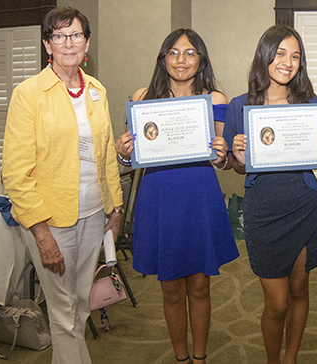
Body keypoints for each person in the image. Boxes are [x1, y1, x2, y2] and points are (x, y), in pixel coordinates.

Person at [2, 7, 123, 364]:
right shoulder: (29, 94)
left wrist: (115, 209)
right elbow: (16, 173)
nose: (68, 43)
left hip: (91, 216)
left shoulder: (96, 90)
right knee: (62, 310)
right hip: (50, 221)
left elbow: (105, 155)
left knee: (80, 305)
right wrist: (40, 233)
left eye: (76, 35)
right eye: (58, 35)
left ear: (87, 43)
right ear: (47, 44)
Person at [114, 28, 239, 364]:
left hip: (198, 195)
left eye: (189, 52)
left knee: (199, 284)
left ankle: (199, 358)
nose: (181, 59)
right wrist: (123, 153)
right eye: (173, 52)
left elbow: (222, 161)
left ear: (201, 59)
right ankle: (181, 358)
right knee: (169, 286)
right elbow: (130, 155)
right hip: (159, 197)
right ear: (163, 58)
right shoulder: (142, 98)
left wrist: (221, 154)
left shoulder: (216, 100)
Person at [223, 25, 317, 364]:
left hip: (304, 203)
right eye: (280, 53)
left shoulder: (310, 104)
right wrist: (237, 156)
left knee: (300, 290)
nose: (287, 62)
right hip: (264, 209)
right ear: (265, 56)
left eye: (295, 56)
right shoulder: (239, 106)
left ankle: (291, 358)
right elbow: (235, 167)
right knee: (277, 303)